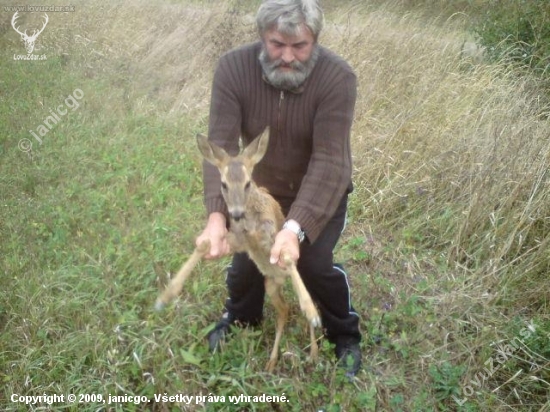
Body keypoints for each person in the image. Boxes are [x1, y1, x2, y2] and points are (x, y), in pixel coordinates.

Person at [195, 0, 362, 377]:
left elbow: (331, 161)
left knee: (314, 264)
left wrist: (294, 228)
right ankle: (240, 317)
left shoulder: (338, 78)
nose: (287, 56)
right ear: (261, 37)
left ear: (315, 41)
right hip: (261, 193)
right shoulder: (233, 69)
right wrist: (216, 217)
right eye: (276, 44)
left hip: (318, 193)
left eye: (299, 46)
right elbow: (219, 147)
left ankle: (344, 334)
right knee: (247, 266)